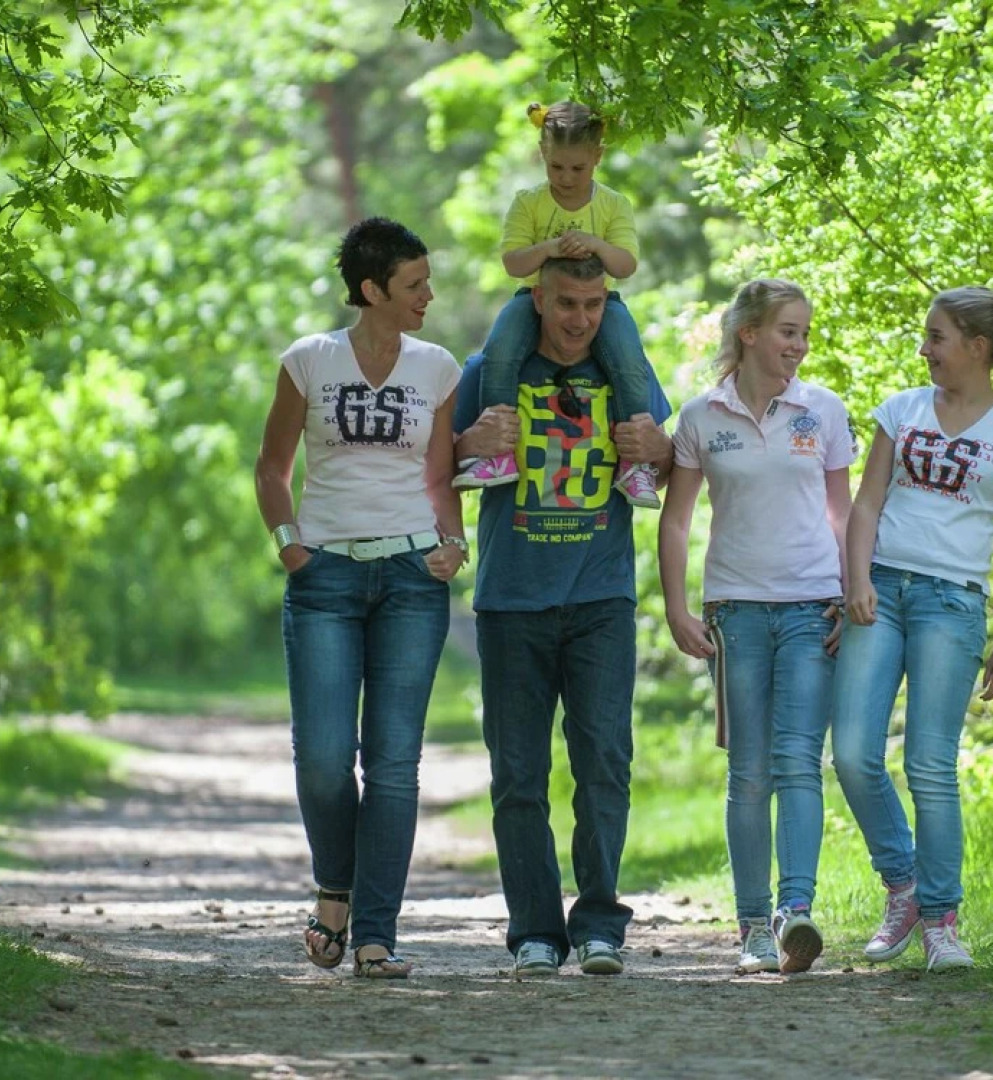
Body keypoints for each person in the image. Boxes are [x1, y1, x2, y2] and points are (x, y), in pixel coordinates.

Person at [254, 217, 468, 980]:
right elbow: (273, 467)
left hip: (413, 579)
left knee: (395, 763)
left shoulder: (438, 368)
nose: (428, 297)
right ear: (372, 290)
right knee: (320, 759)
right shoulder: (309, 361)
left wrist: (454, 543)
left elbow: (441, 479)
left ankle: (375, 934)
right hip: (326, 582)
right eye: (414, 285)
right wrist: (290, 544)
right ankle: (334, 888)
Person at [453, 254, 675, 977]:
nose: (581, 319)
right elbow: (439, 467)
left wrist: (662, 452)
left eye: (594, 304)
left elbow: (668, 462)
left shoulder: (625, 371)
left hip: (600, 600)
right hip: (511, 600)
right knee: (518, 774)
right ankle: (536, 932)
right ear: (538, 300)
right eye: (567, 303)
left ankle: (601, 924)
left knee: (604, 762)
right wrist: (466, 445)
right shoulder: (489, 370)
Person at [832, 285, 993, 972]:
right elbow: (866, 505)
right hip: (882, 593)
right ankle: (904, 884)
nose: (924, 349)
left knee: (930, 765)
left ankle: (942, 924)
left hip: (953, 605)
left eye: (936, 337)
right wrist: (857, 581)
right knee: (854, 754)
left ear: (977, 348)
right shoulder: (900, 410)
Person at [659, 279, 856, 975]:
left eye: (804, 334)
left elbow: (842, 512)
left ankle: (792, 913)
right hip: (735, 612)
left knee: (800, 762)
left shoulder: (823, 410)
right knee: (748, 773)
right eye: (787, 332)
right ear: (748, 334)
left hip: (813, 608)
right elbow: (677, 518)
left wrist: (850, 589)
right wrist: (677, 606)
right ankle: (749, 926)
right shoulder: (700, 416)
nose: (799, 346)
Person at [452, 100, 662, 510]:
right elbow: (514, 263)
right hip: (535, 296)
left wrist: (597, 245)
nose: (566, 178)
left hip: (603, 298)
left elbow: (626, 264)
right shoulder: (528, 203)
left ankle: (636, 462)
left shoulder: (613, 205)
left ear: (597, 158)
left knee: (626, 355)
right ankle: (497, 451)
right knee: (501, 349)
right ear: (543, 154)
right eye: (556, 167)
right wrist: (549, 248)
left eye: (578, 169)